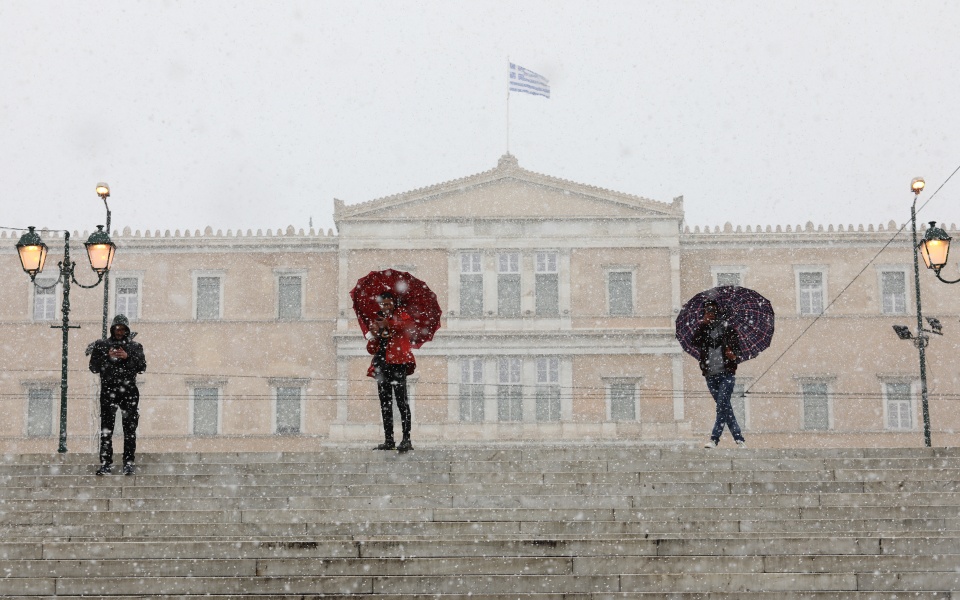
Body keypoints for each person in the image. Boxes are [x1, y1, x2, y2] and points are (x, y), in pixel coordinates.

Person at [88, 314, 147, 475]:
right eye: (117, 328)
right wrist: (107, 356)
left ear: (127, 330)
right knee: (106, 428)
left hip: (129, 391)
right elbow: (93, 367)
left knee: (130, 428)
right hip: (109, 390)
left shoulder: (135, 347)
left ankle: (128, 462)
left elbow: (142, 367)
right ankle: (106, 463)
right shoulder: (102, 345)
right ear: (112, 329)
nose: (119, 332)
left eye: (123, 329)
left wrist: (127, 357)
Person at [365, 292, 415, 453]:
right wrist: (373, 335)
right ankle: (389, 439)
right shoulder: (378, 320)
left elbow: (406, 327)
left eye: (388, 304)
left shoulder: (402, 315)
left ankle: (406, 439)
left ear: (394, 304)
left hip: (398, 363)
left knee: (402, 401)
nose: (385, 307)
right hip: (382, 364)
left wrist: (388, 324)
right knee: (385, 403)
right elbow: (372, 349)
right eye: (383, 304)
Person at [692, 300, 746, 449]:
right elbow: (693, 342)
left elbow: (738, 353)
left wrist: (732, 355)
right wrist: (703, 324)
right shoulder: (703, 330)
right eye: (707, 310)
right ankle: (739, 438)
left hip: (726, 374)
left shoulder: (728, 330)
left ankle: (714, 438)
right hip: (710, 375)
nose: (710, 313)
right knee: (725, 407)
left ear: (718, 311)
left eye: (713, 310)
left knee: (722, 406)